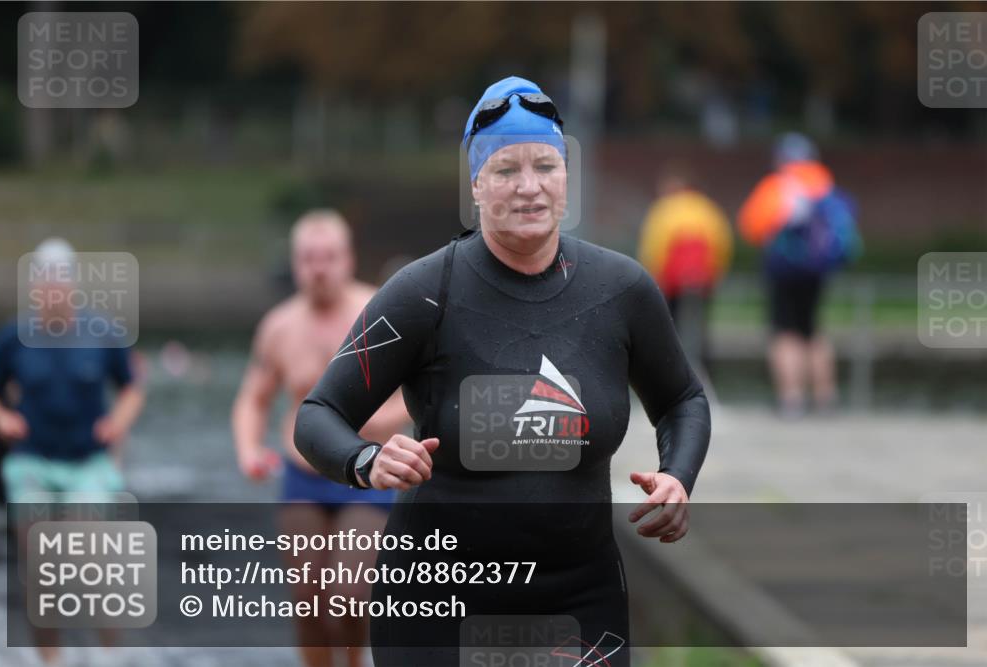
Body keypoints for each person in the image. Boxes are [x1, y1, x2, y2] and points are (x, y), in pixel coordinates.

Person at [294, 77, 711, 666]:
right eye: (506, 170)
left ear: (567, 177)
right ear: (476, 185)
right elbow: (318, 415)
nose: (529, 186)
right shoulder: (422, 294)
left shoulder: (622, 291)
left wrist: (678, 476)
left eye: (546, 166)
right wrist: (366, 461)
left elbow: (682, 400)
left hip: (579, 597)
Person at [231, 210, 411, 667]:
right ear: (295, 264)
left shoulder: (380, 313)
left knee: (349, 593)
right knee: (307, 599)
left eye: (328, 257)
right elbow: (253, 399)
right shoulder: (279, 326)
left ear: (347, 259)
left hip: (368, 471)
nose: (319, 269)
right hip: (303, 476)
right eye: (309, 258)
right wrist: (249, 450)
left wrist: (373, 424)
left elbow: (420, 395)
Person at [0, 238, 145, 666]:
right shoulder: (12, 338)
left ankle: (111, 656)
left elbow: (132, 388)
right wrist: (1, 419)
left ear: (73, 284)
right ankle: (51, 659)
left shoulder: (102, 333)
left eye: (59, 280)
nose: (52, 289)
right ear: (34, 287)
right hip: (31, 461)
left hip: (87, 462)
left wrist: (118, 422)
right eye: (44, 280)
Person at [738, 133, 860, 417]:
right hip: (817, 271)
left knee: (784, 332)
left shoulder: (777, 186)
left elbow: (750, 226)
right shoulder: (825, 186)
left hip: (783, 271)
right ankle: (825, 396)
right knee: (813, 330)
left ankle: (791, 399)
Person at [636, 170, 733, 370]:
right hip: (703, 277)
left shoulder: (665, 208)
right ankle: (704, 367)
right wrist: (717, 272)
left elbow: (654, 245)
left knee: (669, 322)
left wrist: (653, 273)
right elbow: (722, 243)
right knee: (701, 324)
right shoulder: (707, 208)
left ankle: (670, 366)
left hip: (671, 278)